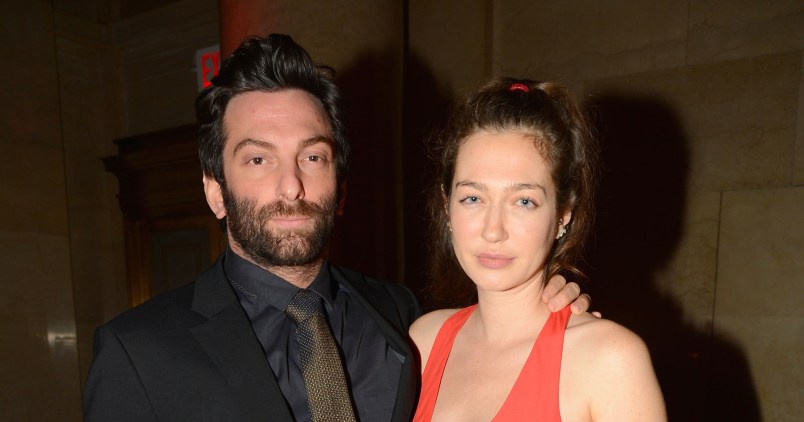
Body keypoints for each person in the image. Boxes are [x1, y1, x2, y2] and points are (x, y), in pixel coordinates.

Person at [83, 35, 589, 422]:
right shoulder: (138, 352)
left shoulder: (401, 317)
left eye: (313, 156)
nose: (291, 186)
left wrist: (538, 299)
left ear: (341, 188)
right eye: (258, 159)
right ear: (216, 190)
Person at [410, 79, 666, 421]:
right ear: (447, 207)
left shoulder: (608, 361)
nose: (493, 230)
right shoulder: (421, 342)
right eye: (473, 198)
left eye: (524, 201)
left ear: (563, 214)